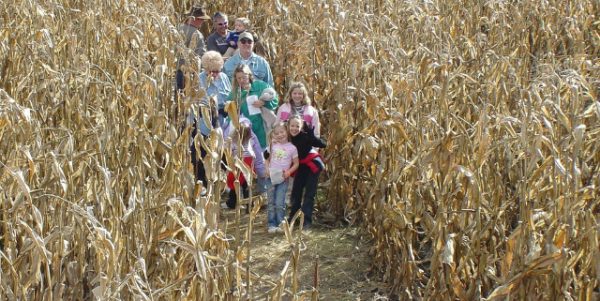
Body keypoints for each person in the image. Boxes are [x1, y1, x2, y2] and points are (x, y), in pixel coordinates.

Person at [288, 115, 326, 229]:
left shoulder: (305, 136)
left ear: (301, 127)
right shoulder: (287, 138)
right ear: (288, 126)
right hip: (300, 166)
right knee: (296, 192)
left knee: (309, 193)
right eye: (292, 126)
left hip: (312, 165)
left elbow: (322, 145)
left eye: (297, 126)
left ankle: (306, 221)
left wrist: (312, 136)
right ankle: (293, 218)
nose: (294, 128)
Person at [227, 64, 278, 150]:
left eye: (244, 77)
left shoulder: (260, 85)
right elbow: (230, 113)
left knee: (263, 153)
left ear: (249, 75)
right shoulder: (234, 94)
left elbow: (275, 98)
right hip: (246, 130)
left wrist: (263, 102)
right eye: (239, 78)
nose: (242, 80)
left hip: (262, 127)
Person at [222, 118, 267, 210]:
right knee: (246, 187)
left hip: (240, 165)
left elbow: (229, 153)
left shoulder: (237, 141)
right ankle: (248, 206)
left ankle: (234, 203)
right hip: (246, 166)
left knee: (237, 186)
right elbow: (257, 154)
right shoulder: (250, 140)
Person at [265, 122, 299, 233]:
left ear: (286, 132)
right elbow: (267, 159)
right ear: (273, 134)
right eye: (277, 133)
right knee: (271, 202)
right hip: (271, 177)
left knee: (280, 202)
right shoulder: (272, 145)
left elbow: (296, 163)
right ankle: (271, 224)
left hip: (283, 178)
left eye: (282, 132)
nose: (280, 135)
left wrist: (289, 172)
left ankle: (280, 224)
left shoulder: (292, 148)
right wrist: (266, 169)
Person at [176, 6, 211, 95]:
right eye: (202, 20)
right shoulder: (197, 34)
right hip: (186, 74)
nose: (202, 22)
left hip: (172, 71)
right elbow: (201, 55)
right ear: (197, 19)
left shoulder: (176, 28)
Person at [199, 51, 231, 126]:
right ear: (206, 69)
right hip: (207, 123)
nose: (215, 74)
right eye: (212, 72)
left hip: (224, 123)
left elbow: (230, 95)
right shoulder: (199, 79)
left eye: (218, 71)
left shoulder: (224, 77)